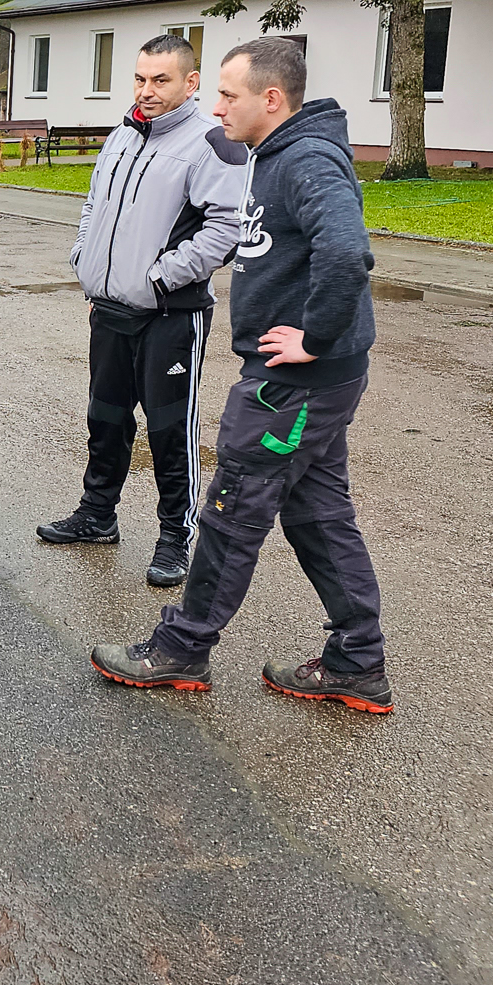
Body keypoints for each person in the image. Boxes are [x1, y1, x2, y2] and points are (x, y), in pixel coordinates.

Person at [91, 37, 393, 713]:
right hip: (308, 381)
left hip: (294, 384)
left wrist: (315, 337)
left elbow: (347, 252)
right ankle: (357, 661)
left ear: (271, 99)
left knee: (233, 509)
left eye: (229, 95)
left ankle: (181, 649)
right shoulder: (274, 153)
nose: (217, 107)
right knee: (318, 514)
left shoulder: (306, 160)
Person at [36, 33, 245, 588]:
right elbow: (93, 204)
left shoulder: (212, 142)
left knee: (170, 430)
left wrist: (159, 277)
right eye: (139, 78)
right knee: (105, 418)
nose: (146, 91)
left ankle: (176, 536)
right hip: (109, 308)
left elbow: (226, 229)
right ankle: (97, 515)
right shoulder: (122, 135)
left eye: (160, 80)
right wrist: (84, 258)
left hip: (169, 315)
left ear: (191, 83)